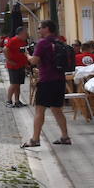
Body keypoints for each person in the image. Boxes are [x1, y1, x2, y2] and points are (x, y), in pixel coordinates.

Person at [22, 20, 71, 148]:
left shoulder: (43, 43)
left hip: (46, 81)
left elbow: (34, 61)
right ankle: (65, 137)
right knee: (57, 109)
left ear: (47, 29)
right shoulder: (59, 41)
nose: (38, 31)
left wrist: (27, 55)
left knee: (39, 110)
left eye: (39, 28)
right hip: (59, 80)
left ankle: (35, 139)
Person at [4, 28, 29, 108]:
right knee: (14, 83)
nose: (27, 34)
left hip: (20, 65)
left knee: (18, 84)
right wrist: (8, 60)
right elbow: (5, 49)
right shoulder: (13, 40)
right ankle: (8, 101)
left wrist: (25, 63)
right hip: (13, 66)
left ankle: (17, 101)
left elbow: (23, 53)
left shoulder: (23, 42)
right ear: (21, 33)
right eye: (25, 33)